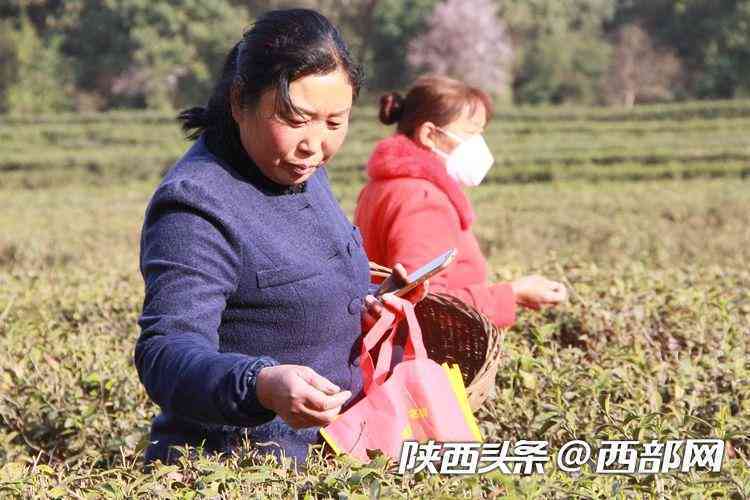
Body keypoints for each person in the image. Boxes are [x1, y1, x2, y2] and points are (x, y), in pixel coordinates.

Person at [134, 9, 422, 466]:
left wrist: (370, 299)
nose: (314, 145)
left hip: (335, 454)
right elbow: (165, 353)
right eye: (296, 119)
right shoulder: (197, 204)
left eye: (334, 122)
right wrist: (260, 383)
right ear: (238, 101)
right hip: (238, 471)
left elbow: (291, 290)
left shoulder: (300, 169)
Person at [355, 76, 567, 329]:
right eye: (470, 133)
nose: (479, 144)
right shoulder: (421, 198)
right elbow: (424, 303)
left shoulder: (385, 185)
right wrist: (513, 294)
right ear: (429, 134)